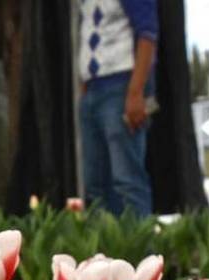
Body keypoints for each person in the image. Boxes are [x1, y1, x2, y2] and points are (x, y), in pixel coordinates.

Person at [77, 0, 157, 216]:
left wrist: (136, 92)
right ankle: (103, 246)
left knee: (127, 180)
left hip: (120, 86)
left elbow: (147, 35)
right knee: (95, 185)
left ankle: (138, 248)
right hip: (92, 89)